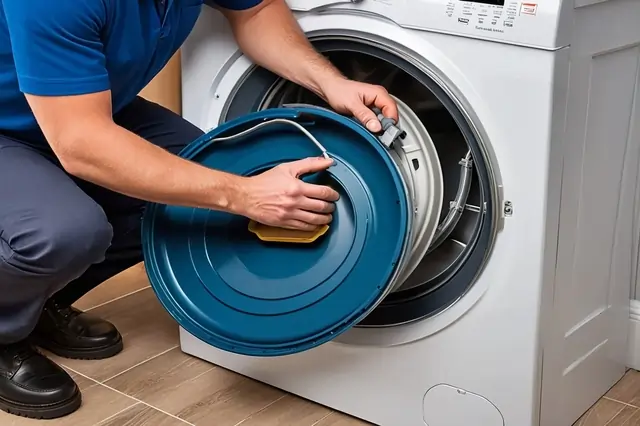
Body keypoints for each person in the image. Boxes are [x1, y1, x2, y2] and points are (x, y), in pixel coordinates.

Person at [0, 0, 398, 420]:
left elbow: (256, 11)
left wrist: (328, 81)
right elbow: (81, 144)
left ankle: (31, 301)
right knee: (65, 233)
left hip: (84, 106)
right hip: (20, 125)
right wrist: (244, 195)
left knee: (198, 192)